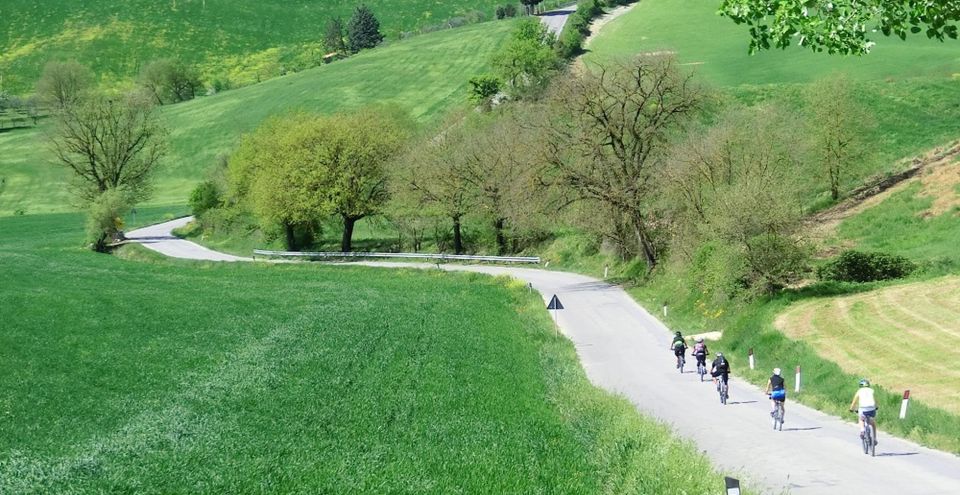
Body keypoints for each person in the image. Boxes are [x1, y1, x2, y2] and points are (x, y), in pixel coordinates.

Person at [849, 378, 878, 446]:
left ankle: (862, 431)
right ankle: (874, 439)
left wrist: (851, 409)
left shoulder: (859, 391)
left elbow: (854, 401)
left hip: (863, 409)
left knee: (861, 419)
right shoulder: (872, 390)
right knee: (873, 424)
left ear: (860, 385)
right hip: (871, 409)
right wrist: (876, 407)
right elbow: (875, 400)